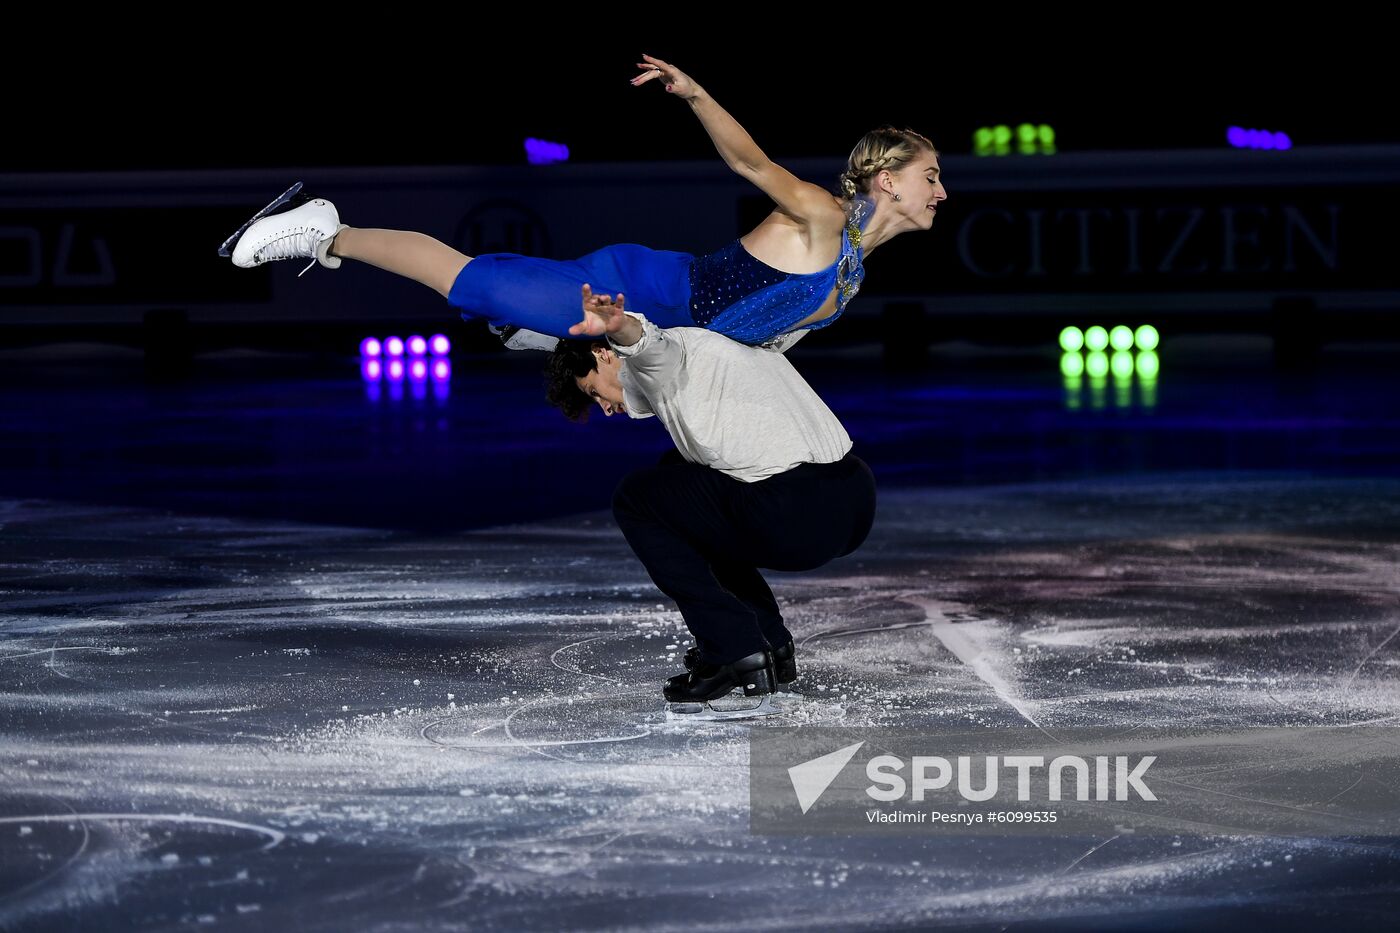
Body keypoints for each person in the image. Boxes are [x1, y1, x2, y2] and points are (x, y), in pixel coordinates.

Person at [222, 54, 946, 348]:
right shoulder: (823, 216)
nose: (940, 190)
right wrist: (695, 94)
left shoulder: (853, 270)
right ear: (887, 180)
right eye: (930, 175)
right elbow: (750, 162)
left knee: (537, 330)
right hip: (646, 290)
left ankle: (525, 332)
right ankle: (329, 232)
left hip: (665, 340)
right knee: (465, 276)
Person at [547, 284, 877, 718]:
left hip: (796, 514)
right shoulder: (722, 340)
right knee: (676, 480)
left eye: (593, 392)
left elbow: (647, 345)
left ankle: (732, 651)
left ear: (604, 354)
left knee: (637, 499)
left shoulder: (669, 350)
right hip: (852, 495)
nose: (605, 409)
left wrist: (619, 326)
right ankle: (768, 641)